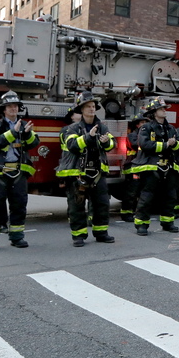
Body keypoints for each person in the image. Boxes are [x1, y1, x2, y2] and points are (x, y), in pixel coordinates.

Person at [0, 91, 39, 251]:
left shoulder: (25, 125)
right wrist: (12, 133)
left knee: (19, 205)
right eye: (10, 106)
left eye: (16, 106)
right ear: (3, 109)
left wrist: (26, 134)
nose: (13, 109)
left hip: (19, 171)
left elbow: (34, 143)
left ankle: (17, 237)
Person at [57, 92, 116, 246]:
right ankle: (79, 236)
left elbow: (112, 145)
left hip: (98, 172)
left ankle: (101, 233)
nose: (91, 109)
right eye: (88, 106)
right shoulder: (72, 128)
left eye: (93, 106)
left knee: (101, 204)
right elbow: (72, 145)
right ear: (81, 109)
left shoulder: (102, 127)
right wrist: (88, 137)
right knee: (77, 205)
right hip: (78, 173)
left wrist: (106, 142)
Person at [128, 97, 179, 235]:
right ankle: (142, 225)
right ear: (153, 112)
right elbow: (145, 145)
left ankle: (168, 222)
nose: (165, 110)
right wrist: (165, 145)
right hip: (151, 167)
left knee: (170, 196)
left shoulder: (171, 128)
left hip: (168, 167)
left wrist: (175, 144)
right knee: (147, 197)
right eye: (161, 108)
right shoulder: (146, 127)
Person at [118, 113, 148, 224]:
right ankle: (126, 213)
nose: (145, 125)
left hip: (140, 166)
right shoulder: (133, 135)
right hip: (132, 166)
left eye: (146, 122)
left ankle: (135, 211)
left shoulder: (144, 135)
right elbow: (137, 145)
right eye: (142, 123)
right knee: (131, 192)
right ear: (137, 124)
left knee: (140, 191)